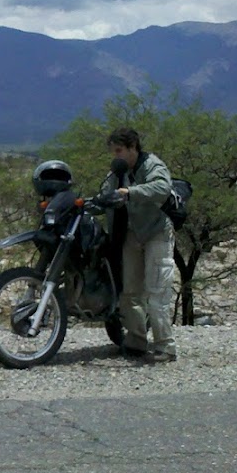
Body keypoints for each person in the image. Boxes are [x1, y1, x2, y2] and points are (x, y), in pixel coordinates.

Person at [99, 127, 177, 362]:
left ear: (133, 147)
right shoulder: (117, 171)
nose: (116, 155)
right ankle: (136, 341)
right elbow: (105, 192)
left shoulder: (152, 164)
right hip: (131, 235)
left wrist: (130, 192)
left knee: (157, 292)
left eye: (120, 150)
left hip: (157, 233)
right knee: (130, 293)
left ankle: (165, 346)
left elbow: (162, 187)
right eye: (113, 151)